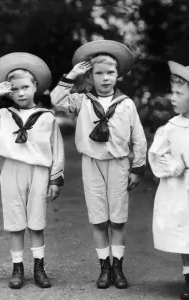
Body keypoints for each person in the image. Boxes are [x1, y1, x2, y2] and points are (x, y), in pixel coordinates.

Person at [50, 40, 147, 289]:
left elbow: (138, 137)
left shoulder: (125, 104)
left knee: (117, 219)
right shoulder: (82, 101)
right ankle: (104, 267)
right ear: (90, 76)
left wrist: (137, 168)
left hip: (118, 164)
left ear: (117, 75)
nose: (105, 78)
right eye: (99, 73)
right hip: (91, 164)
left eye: (110, 73)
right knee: (99, 219)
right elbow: (56, 100)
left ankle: (118, 267)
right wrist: (72, 76)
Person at [0, 52, 64, 289]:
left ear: (36, 87)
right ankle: (17, 268)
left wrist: (56, 179)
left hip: (39, 172)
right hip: (12, 170)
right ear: (8, 92)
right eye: (14, 89)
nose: (21, 93)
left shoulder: (46, 117)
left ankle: (39, 267)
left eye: (25, 87)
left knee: (36, 221)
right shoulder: (4, 115)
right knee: (15, 220)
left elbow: (57, 149)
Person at [148, 60, 189, 300]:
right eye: (172, 92)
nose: (172, 98)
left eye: (179, 93)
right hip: (180, 187)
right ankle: (188, 279)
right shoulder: (171, 127)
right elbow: (156, 154)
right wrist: (171, 166)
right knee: (185, 234)